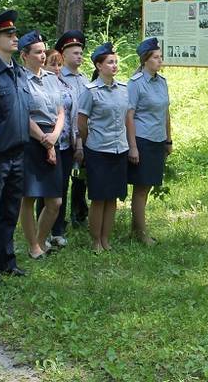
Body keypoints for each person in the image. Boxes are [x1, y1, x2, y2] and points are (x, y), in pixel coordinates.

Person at [0, 10, 50, 282]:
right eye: (9, 35)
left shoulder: (18, 71)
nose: (15, 38)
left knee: (10, 211)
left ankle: (7, 260)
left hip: (19, 152)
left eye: (15, 33)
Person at [77, 42, 133, 252]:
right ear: (99, 66)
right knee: (99, 197)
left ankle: (106, 238)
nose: (114, 66)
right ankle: (95, 241)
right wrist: (89, 141)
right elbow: (81, 122)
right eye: (110, 62)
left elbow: (127, 118)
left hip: (119, 149)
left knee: (113, 198)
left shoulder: (124, 90)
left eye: (115, 62)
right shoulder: (90, 91)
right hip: (98, 150)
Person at [17, 31, 66, 259]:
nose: (42, 57)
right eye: (37, 53)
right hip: (31, 138)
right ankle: (33, 246)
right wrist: (44, 140)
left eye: (43, 52)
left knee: (55, 200)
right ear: (24, 55)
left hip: (51, 137)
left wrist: (54, 136)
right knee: (29, 197)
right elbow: (21, 114)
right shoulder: (19, 79)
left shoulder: (50, 78)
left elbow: (60, 111)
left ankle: (40, 239)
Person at [125, 38, 172, 246]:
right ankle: (141, 233)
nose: (160, 60)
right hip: (142, 140)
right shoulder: (135, 83)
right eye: (156, 57)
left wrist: (168, 139)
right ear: (145, 60)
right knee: (141, 188)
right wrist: (133, 146)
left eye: (161, 57)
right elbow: (129, 115)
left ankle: (137, 229)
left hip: (158, 139)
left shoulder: (162, 82)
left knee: (149, 185)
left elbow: (166, 111)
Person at [49, 30, 88, 245]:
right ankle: (56, 224)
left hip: (80, 136)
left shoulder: (83, 79)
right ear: (63, 54)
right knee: (59, 185)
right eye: (75, 52)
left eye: (81, 52)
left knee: (80, 179)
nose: (79, 56)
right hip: (60, 138)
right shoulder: (56, 76)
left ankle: (79, 214)